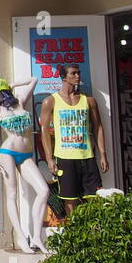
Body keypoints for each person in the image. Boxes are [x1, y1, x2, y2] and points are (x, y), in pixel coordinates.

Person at [0, 77, 50, 253]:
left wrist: (13, 84)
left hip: (26, 154)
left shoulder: (21, 101)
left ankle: (36, 236)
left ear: (5, 91)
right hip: (7, 152)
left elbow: (34, 80)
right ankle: (21, 237)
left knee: (44, 191)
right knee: (12, 194)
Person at [38, 64, 108, 215]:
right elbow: (43, 131)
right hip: (65, 157)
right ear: (64, 77)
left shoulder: (88, 101)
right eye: (73, 73)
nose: (78, 76)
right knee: (69, 199)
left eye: (79, 73)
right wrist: (49, 159)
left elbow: (98, 127)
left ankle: (94, 231)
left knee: (95, 197)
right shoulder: (50, 101)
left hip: (87, 156)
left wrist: (103, 154)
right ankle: (74, 232)